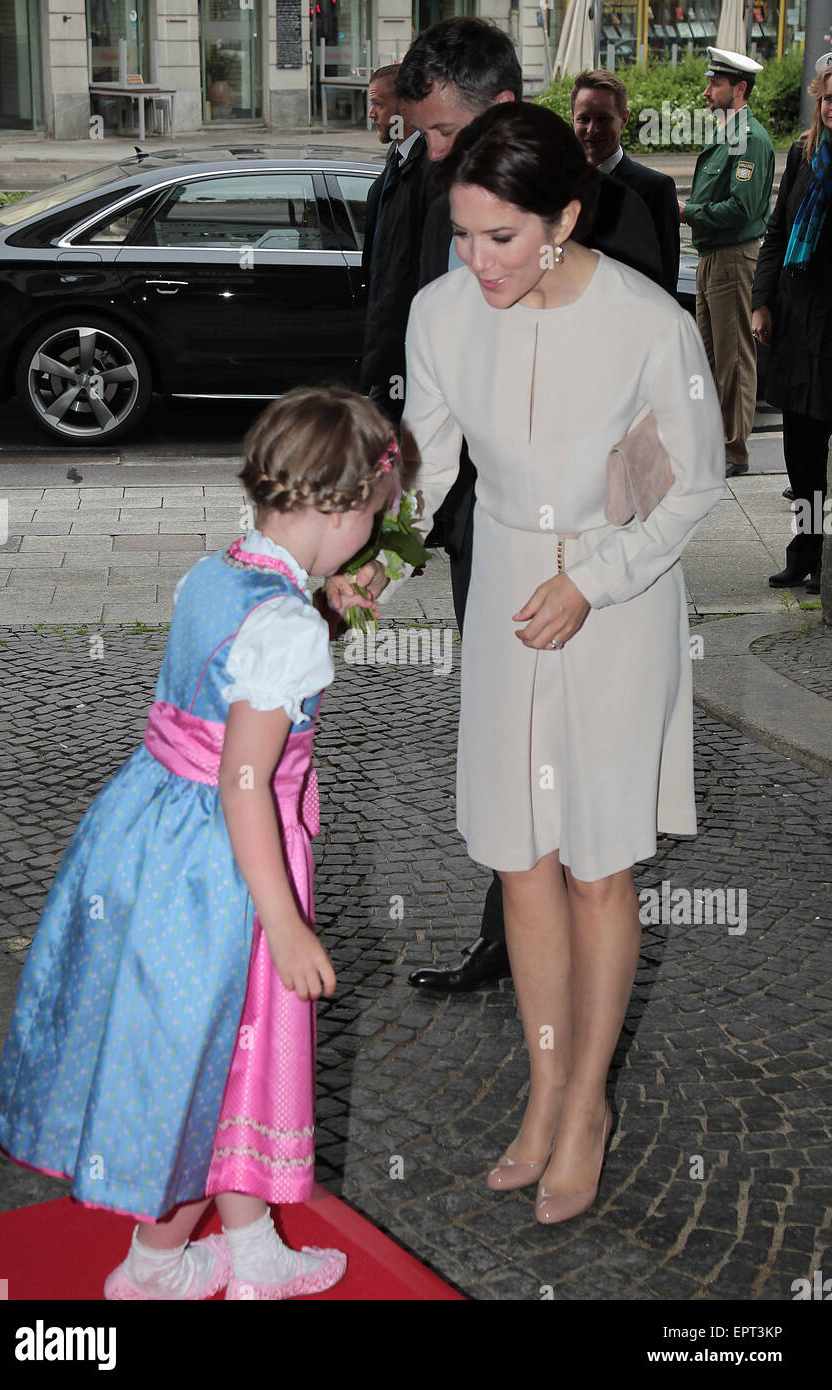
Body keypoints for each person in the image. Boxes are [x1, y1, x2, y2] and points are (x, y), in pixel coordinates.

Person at [336, 101, 725, 1220]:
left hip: (616, 598)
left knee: (597, 863)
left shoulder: (653, 321)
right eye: (461, 234)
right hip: (507, 587)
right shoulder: (442, 314)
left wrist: (593, 580)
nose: (477, 261)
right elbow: (429, 467)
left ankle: (587, 1105)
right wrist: (376, 563)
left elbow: (696, 484)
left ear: (563, 217)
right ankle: (546, 1086)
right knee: (520, 858)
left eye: (500, 237)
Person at [0, 386, 396, 1299]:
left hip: (150, 829)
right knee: (204, 1067)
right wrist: (285, 924)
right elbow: (245, 779)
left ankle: (249, 1246)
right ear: (336, 511)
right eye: (371, 514)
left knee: (225, 1052)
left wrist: (326, 605)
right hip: (224, 867)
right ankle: (154, 1266)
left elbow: (232, 678)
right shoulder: (285, 627)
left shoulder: (219, 572)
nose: (372, 531)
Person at [391, 16, 664, 994]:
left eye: (435, 130)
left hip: (596, 559)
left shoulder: (624, 208)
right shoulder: (442, 191)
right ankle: (512, 926)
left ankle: (560, 946)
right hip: (483, 527)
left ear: (497, 110)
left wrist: (600, 555)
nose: (422, 151)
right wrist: (375, 548)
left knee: (587, 782)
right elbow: (423, 347)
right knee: (511, 744)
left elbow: (656, 427)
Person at [752, 53, 832, 596]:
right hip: (795, 324)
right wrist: (762, 302)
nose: (831, 106)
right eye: (826, 97)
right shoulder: (803, 155)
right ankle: (805, 552)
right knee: (800, 458)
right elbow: (777, 232)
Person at [679, 46, 775, 478]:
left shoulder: (750, 139)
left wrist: (689, 213)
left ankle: (734, 451)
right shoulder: (727, 135)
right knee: (709, 357)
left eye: (714, 83)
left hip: (734, 256)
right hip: (712, 255)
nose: (706, 91)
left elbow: (741, 208)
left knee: (734, 355)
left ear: (739, 88)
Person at [360, 64, 434, 426]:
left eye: (378, 103)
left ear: (405, 108)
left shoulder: (430, 172)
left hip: (408, 351)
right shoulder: (398, 160)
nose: (371, 114)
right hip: (390, 345)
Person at [570, 68, 681, 297]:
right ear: (572, 118)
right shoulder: (555, 185)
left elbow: (665, 283)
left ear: (624, 119)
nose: (592, 129)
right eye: (584, 119)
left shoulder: (655, 189)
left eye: (603, 119)